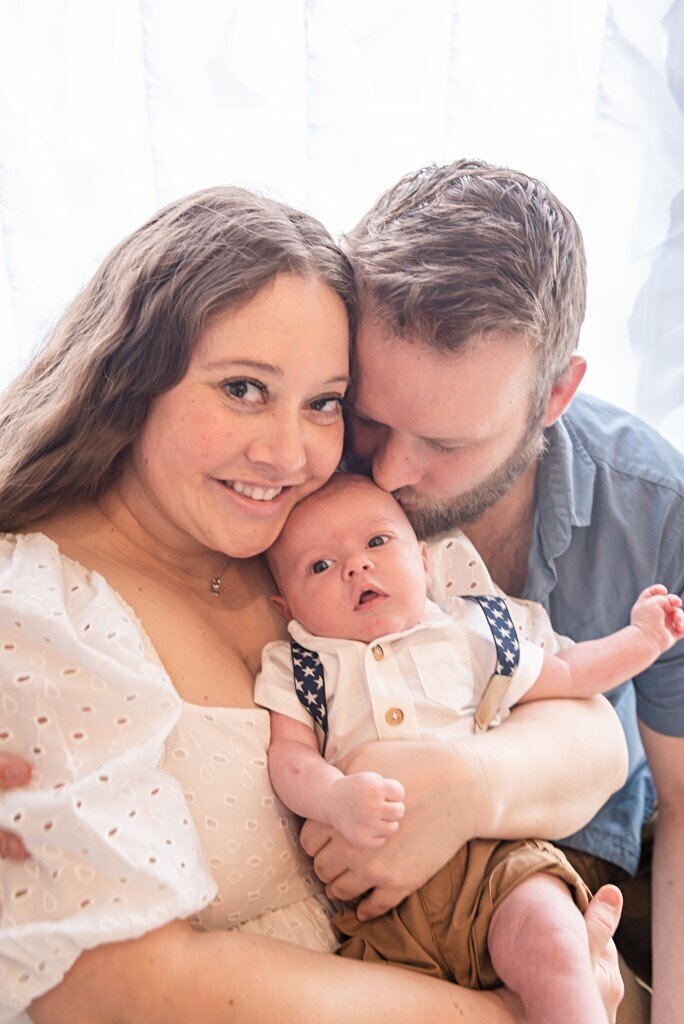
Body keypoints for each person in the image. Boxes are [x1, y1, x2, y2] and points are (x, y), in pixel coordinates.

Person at [0, 185, 626, 1024]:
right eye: (243, 390)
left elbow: (588, 726)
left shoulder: (327, 531)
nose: (290, 453)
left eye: (325, 402)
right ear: (129, 375)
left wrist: (471, 785)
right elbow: (120, 987)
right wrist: (522, 1013)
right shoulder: (41, 613)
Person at [338, 158, 684, 1023]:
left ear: (554, 395)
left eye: (448, 443)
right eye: (372, 417)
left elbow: (683, 805)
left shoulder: (653, 508)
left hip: (594, 860)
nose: (389, 469)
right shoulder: (303, 445)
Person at [256, 473, 683, 1024]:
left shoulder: (465, 634)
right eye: (319, 565)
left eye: (378, 543)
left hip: (496, 859)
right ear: (284, 603)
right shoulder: (303, 665)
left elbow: (569, 673)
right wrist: (334, 798)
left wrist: (643, 640)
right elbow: (289, 758)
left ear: (425, 562)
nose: (356, 567)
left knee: (555, 943)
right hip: (378, 903)